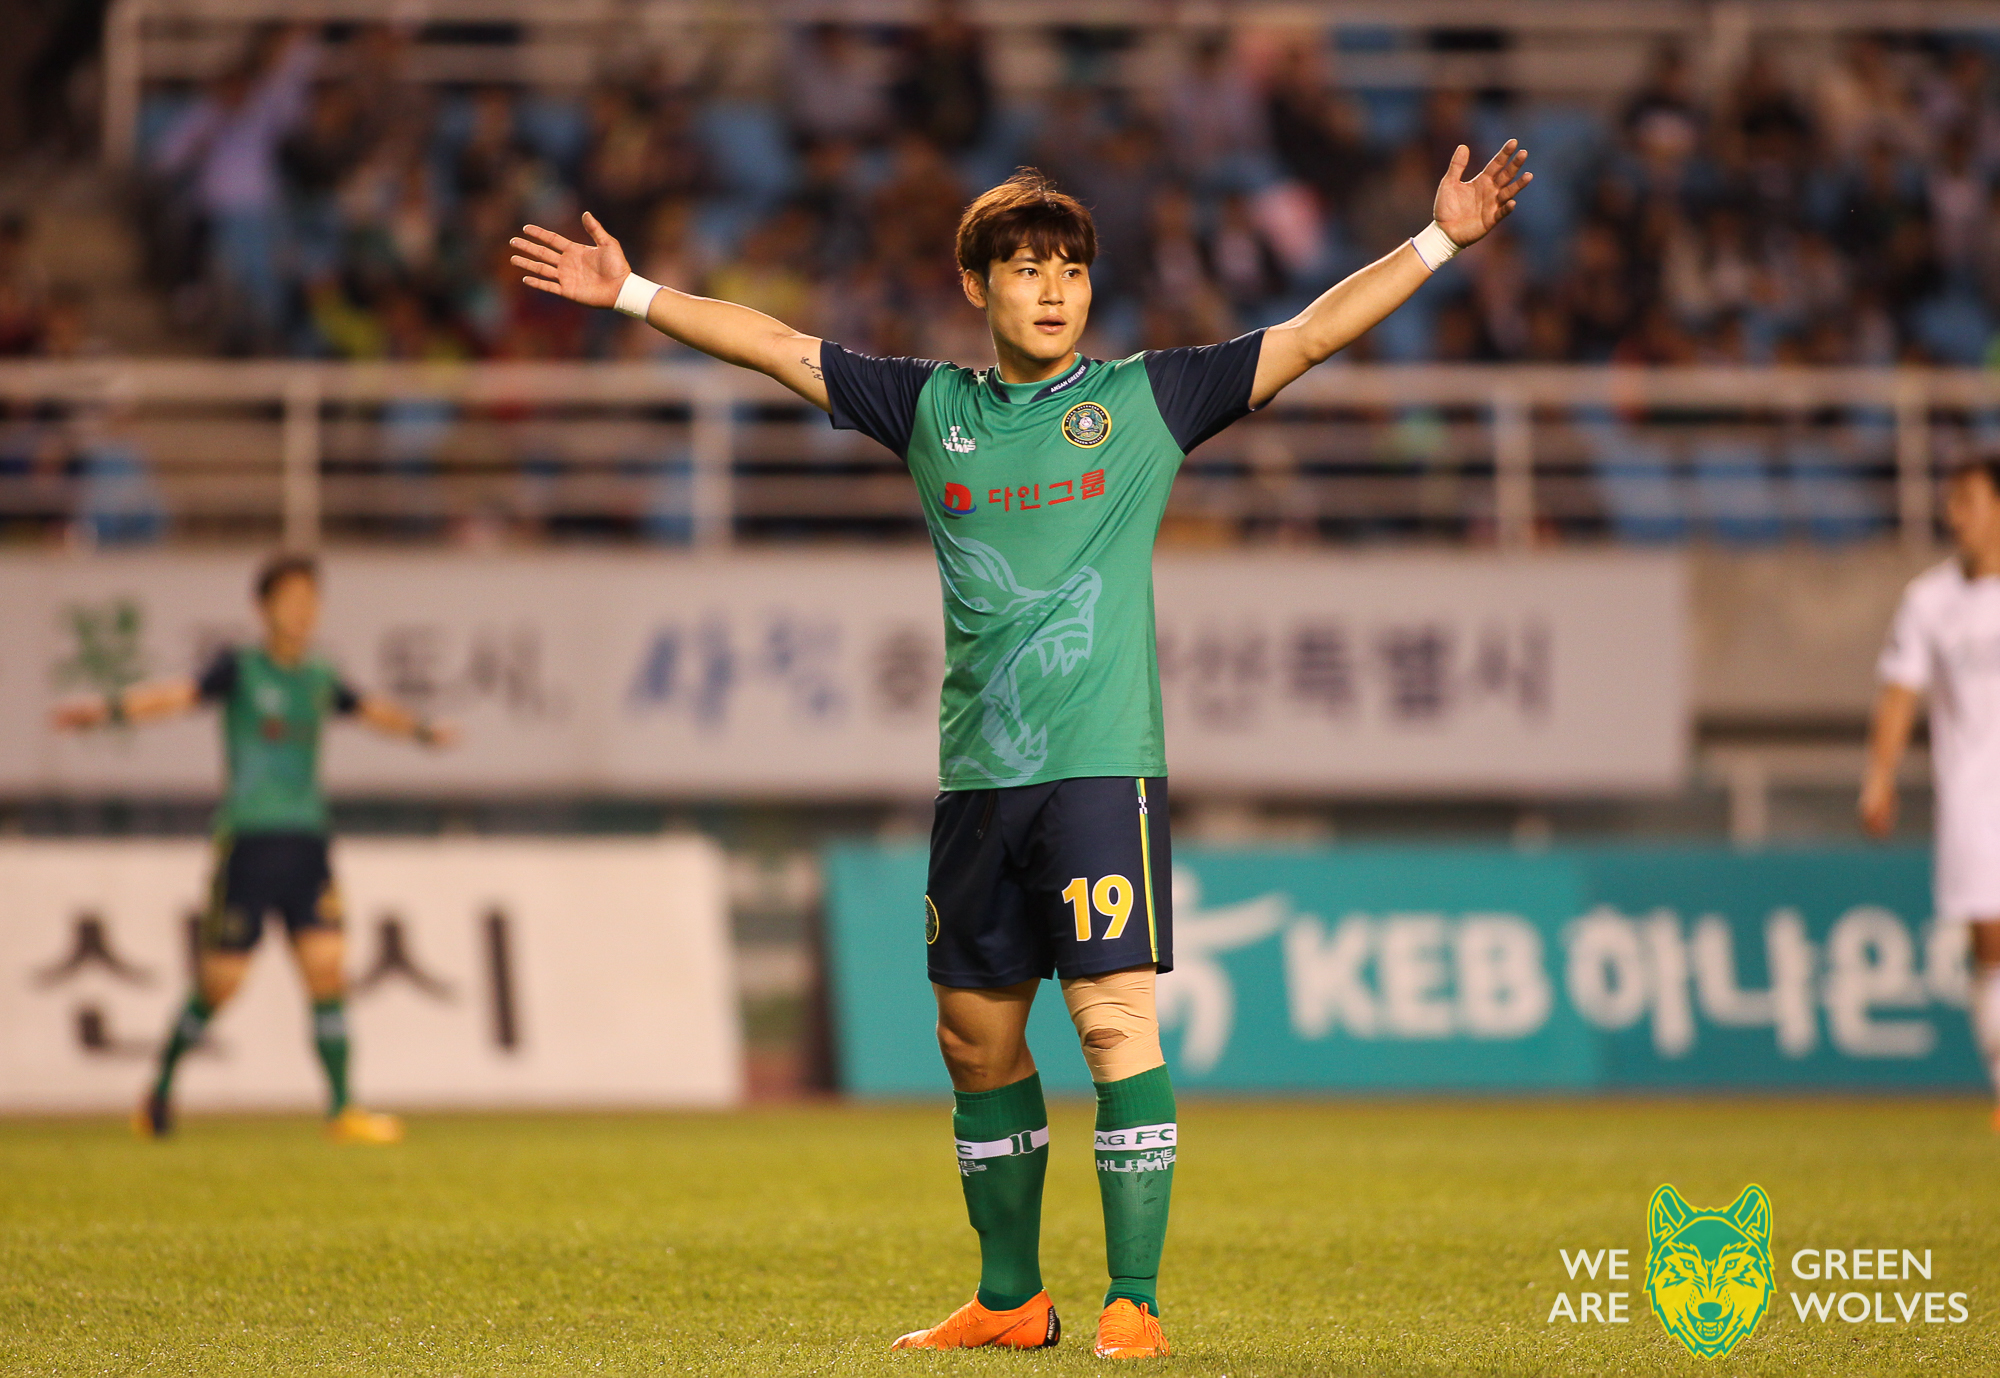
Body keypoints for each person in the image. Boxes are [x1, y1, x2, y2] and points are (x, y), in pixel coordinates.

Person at [510, 141, 1529, 1358]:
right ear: (975, 286)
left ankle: (1133, 1300)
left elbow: (1308, 334)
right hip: (977, 782)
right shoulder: (929, 408)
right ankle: (1010, 1298)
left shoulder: (1149, 399)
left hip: (1100, 771)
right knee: (972, 1040)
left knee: (1112, 1025)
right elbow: (775, 345)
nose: (1052, 290)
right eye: (1026, 269)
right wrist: (631, 293)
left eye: (1070, 269)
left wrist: (1437, 240)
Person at [52, 553, 457, 1143]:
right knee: (221, 983)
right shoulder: (239, 669)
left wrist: (422, 731)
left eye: (310, 601)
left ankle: (343, 1108)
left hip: (308, 842)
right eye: (289, 600)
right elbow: (176, 696)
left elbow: (368, 709)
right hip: (249, 841)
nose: (301, 612)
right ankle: (159, 1089)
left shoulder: (319, 677)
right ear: (262, 608)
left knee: (327, 969)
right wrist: (108, 711)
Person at [1863, 457, 2000, 1131]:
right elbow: (1900, 692)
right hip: (1974, 795)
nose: (1956, 515)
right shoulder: (1930, 600)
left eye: (1969, 500)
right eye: (1952, 502)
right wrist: (1880, 774)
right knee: (1991, 942)